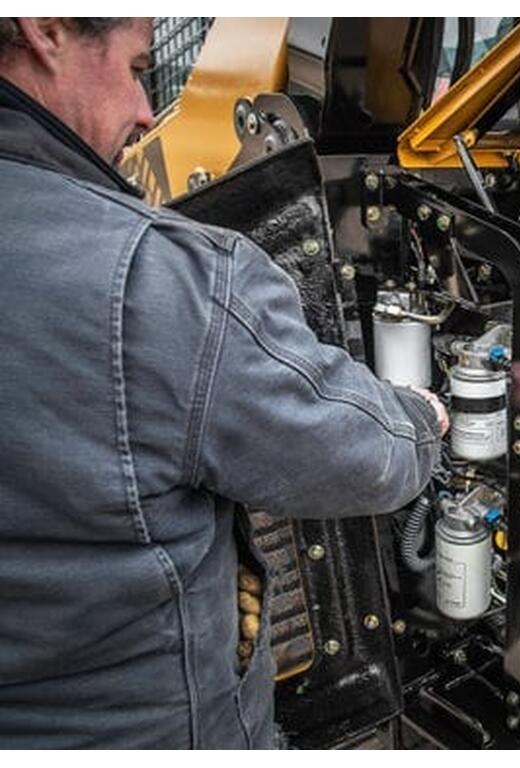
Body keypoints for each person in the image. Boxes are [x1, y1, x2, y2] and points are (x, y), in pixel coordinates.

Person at [0, 18, 448, 748]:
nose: (147, 111)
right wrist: (422, 419)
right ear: (45, 28)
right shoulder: (154, 277)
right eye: (138, 68)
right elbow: (361, 456)